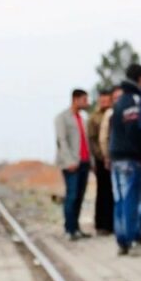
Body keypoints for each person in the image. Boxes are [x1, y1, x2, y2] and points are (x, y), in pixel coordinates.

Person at [107, 63, 141, 255]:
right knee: (131, 200)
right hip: (131, 157)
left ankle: (122, 241)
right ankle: (134, 240)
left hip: (117, 156)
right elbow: (135, 130)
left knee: (120, 200)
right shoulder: (134, 100)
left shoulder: (120, 100)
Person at [53, 88, 95, 239]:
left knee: (80, 196)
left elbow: (86, 142)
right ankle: (69, 229)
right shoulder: (62, 118)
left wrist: (91, 161)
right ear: (75, 99)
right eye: (84, 99)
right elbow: (61, 141)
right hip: (71, 164)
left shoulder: (82, 119)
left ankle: (76, 227)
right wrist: (69, 161)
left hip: (84, 162)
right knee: (71, 195)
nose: (86, 103)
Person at [91, 87, 116, 236]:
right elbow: (93, 140)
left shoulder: (113, 114)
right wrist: (100, 156)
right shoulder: (94, 117)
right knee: (102, 192)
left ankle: (111, 223)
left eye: (107, 100)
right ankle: (101, 223)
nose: (105, 102)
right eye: (103, 100)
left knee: (113, 193)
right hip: (101, 159)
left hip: (113, 157)